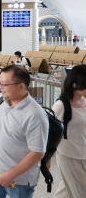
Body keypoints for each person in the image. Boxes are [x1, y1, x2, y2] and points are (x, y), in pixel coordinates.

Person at [0, 65, 48, 198]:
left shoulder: (35, 115)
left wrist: (10, 175)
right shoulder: (1, 99)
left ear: (21, 86)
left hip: (19, 179)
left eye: (4, 84)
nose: (0, 87)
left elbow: (37, 152)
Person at [51, 65, 86, 198]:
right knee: (80, 191)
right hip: (69, 155)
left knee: (66, 189)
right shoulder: (61, 106)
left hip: (83, 152)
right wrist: (46, 157)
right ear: (75, 84)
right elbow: (50, 132)